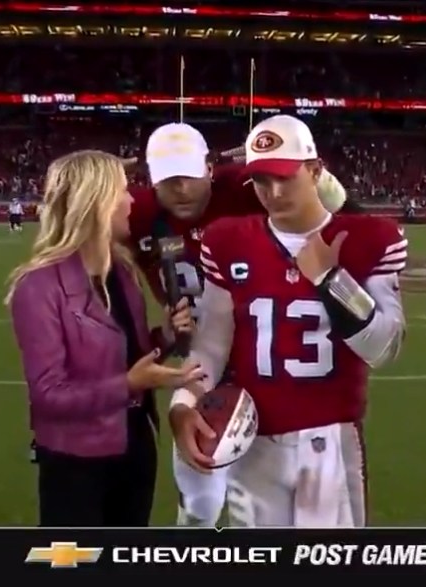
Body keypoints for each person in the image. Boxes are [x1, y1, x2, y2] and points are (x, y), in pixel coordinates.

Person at [168, 115, 408, 527]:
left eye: (285, 177)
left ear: (315, 171)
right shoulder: (228, 240)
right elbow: (212, 344)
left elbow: (384, 348)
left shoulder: (370, 238)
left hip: (330, 441)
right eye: (261, 181)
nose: (274, 193)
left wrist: (332, 281)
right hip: (252, 440)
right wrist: (183, 403)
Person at [129, 122, 352, 526]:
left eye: (188, 175)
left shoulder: (245, 187)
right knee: (200, 505)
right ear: (150, 180)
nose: (180, 188)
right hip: (203, 360)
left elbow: (335, 205)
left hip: (270, 361)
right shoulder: (140, 213)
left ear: (210, 168)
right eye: (168, 179)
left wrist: (316, 175)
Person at [6, 149, 203, 527]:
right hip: (75, 461)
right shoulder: (39, 286)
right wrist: (130, 384)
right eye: (122, 191)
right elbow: (48, 396)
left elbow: (133, 354)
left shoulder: (122, 273)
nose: (132, 201)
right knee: (72, 563)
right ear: (93, 202)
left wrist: (168, 337)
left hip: (135, 446)